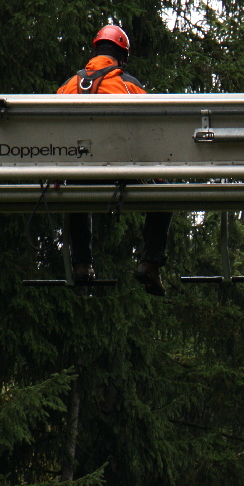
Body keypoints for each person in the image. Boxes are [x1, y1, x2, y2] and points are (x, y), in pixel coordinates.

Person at [57, 25, 173, 296]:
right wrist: (156, 173)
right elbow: (150, 130)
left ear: (95, 50)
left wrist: (55, 173)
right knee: (165, 193)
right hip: (120, 167)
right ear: (122, 56)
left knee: (75, 194)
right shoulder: (128, 84)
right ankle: (150, 262)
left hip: (80, 171)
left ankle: (82, 264)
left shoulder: (66, 87)